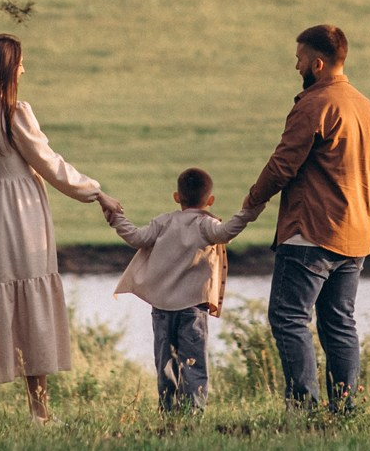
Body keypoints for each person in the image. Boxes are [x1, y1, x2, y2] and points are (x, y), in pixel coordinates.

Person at [0, 33, 120, 423]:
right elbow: (49, 163)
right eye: (21, 62)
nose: (24, 68)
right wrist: (96, 193)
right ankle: (39, 410)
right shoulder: (15, 113)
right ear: (7, 68)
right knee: (30, 306)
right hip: (19, 217)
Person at [243, 23, 370, 412]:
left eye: (300, 58)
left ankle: (303, 408)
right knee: (339, 323)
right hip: (355, 231)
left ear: (317, 64)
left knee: (288, 317)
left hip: (311, 231)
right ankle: (344, 409)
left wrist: (252, 203)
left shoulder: (315, 104)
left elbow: (283, 164)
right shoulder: (368, 108)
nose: (296, 66)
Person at [104, 166, 260, 412]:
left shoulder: (163, 222)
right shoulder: (206, 225)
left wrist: (116, 218)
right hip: (192, 309)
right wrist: (250, 211)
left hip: (162, 309)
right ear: (210, 200)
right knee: (193, 362)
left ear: (177, 197)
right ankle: (193, 412)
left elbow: (135, 237)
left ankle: (168, 410)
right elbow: (227, 232)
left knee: (165, 363)